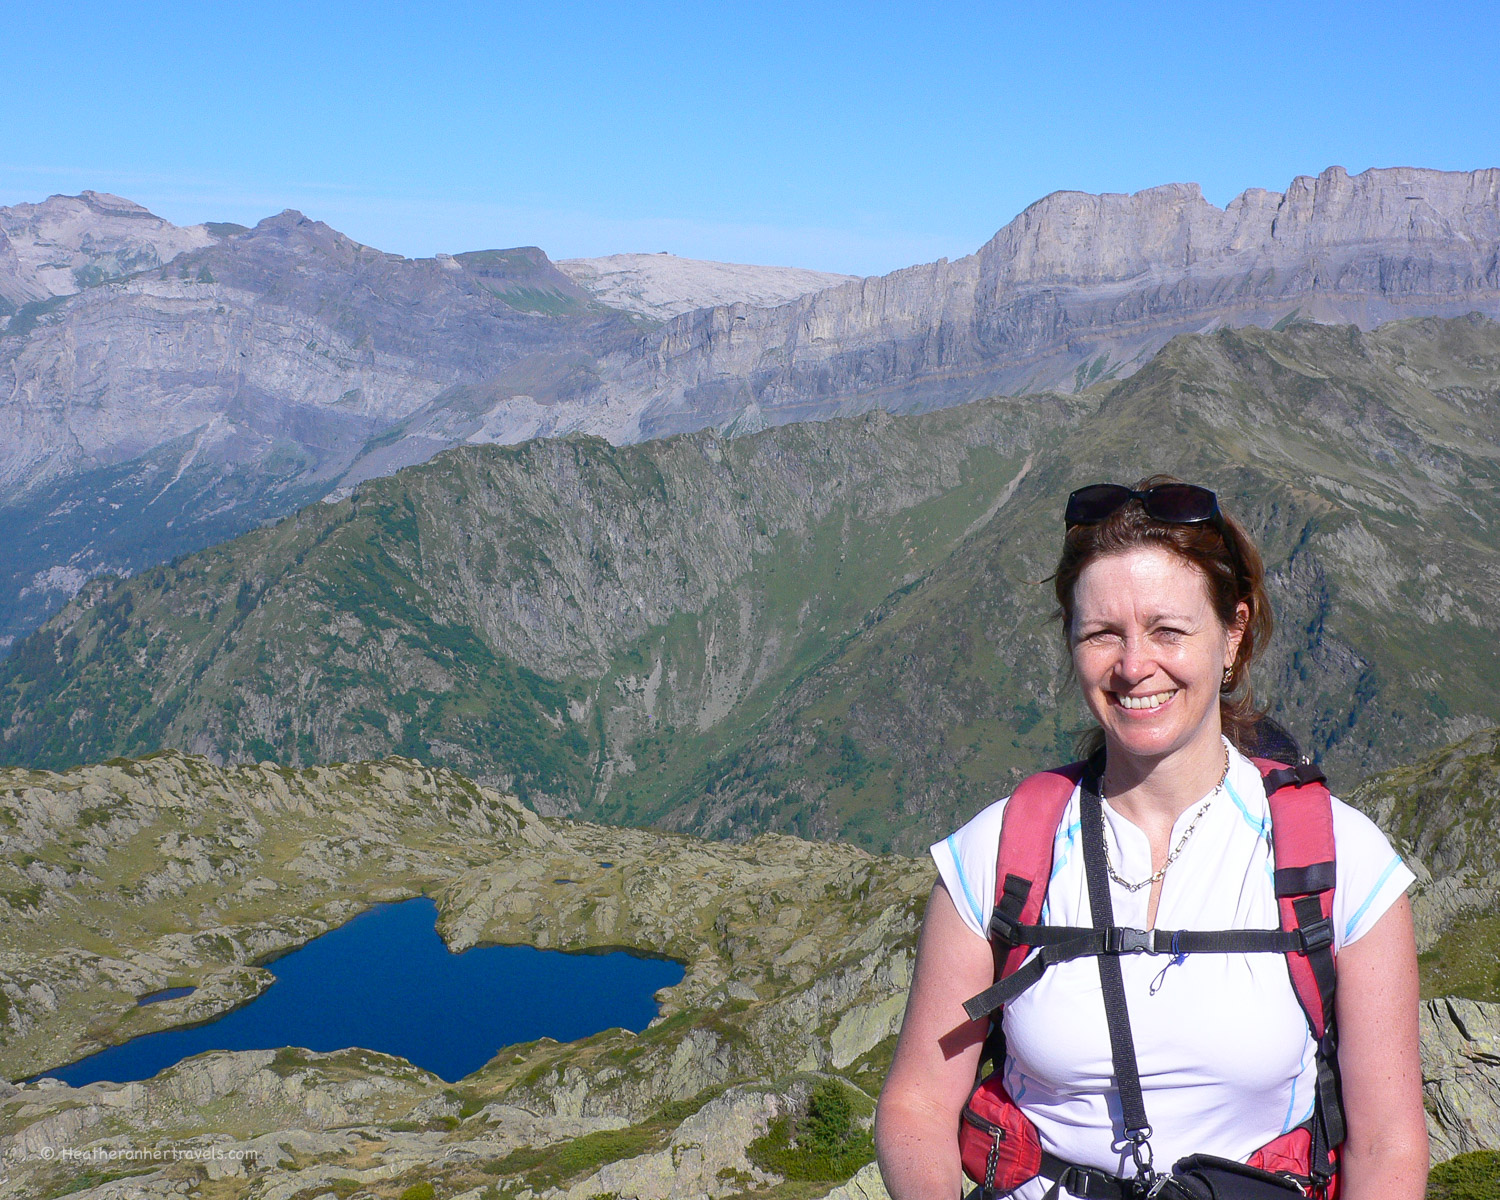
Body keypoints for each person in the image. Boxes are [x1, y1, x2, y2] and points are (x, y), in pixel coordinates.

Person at [874, 478, 1427, 1200]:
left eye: (1168, 630)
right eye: (1102, 634)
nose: (1134, 666)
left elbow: (1387, 1145)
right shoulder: (998, 853)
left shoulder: (1341, 862)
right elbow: (917, 1105)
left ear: (1233, 635)